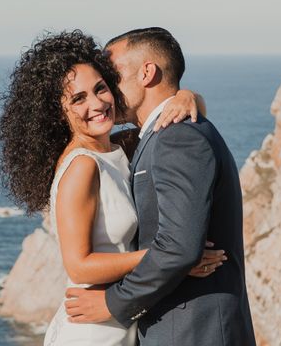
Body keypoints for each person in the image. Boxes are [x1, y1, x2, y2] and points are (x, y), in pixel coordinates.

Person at [0, 30, 226, 346]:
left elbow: (166, 124)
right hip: (92, 330)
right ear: (58, 113)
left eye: (100, 88)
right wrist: (170, 259)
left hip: (120, 323)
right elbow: (80, 266)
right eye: (78, 98)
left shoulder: (115, 147)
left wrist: (186, 97)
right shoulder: (82, 167)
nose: (97, 103)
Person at [64, 28, 257, 346]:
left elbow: (179, 249)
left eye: (112, 76)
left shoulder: (176, 136)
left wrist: (111, 303)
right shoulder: (147, 137)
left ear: (147, 72)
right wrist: (188, 96)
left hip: (194, 330)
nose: (107, 92)